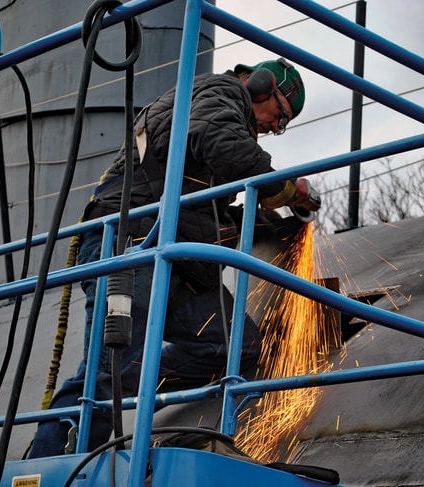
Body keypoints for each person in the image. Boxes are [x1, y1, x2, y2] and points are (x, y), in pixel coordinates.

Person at [27, 58, 321, 458]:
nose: (275, 127)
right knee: (110, 371)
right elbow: (221, 143)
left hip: (175, 258)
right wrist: (289, 189)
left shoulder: (221, 134)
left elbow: (208, 216)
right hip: (130, 245)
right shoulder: (220, 96)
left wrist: (274, 223)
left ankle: (138, 373)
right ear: (262, 85)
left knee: (237, 347)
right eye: (279, 115)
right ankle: (47, 467)